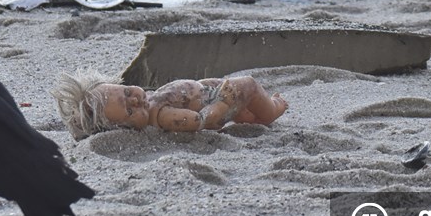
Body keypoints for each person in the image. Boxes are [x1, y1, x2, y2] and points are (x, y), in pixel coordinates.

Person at [52, 70, 289, 140]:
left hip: (208, 91)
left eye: (127, 92)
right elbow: (199, 121)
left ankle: (249, 116)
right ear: (127, 129)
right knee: (248, 84)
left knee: (246, 110)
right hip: (218, 102)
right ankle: (273, 109)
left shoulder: (150, 102)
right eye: (130, 110)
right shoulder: (164, 116)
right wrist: (223, 102)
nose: (136, 99)